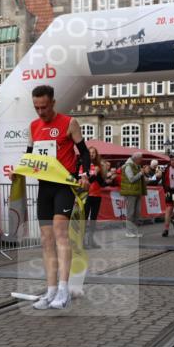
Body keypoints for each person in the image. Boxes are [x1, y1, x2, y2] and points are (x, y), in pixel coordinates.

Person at [26, 84, 91, 310]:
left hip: (64, 185)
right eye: (36, 107)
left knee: (60, 234)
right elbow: (30, 156)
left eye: (44, 107)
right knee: (46, 240)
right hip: (45, 187)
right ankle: (51, 289)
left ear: (53, 102)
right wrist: (18, 170)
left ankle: (64, 290)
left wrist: (84, 174)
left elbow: (83, 152)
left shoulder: (69, 122)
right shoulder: (33, 126)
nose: (41, 112)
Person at [84, 147, 106, 249]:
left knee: (93, 220)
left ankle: (91, 240)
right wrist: (94, 174)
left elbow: (102, 183)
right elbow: (86, 181)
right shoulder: (84, 164)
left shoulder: (98, 166)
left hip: (97, 195)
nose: (92, 154)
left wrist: (99, 173)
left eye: (94, 153)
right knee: (83, 219)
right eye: (90, 152)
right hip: (86, 195)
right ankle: (82, 241)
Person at [119, 151, 145, 238]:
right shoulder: (128, 166)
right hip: (130, 192)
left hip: (137, 192)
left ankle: (135, 231)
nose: (142, 160)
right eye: (141, 159)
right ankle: (129, 232)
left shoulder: (136, 166)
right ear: (136, 159)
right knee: (131, 212)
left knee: (137, 213)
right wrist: (141, 173)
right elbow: (131, 179)